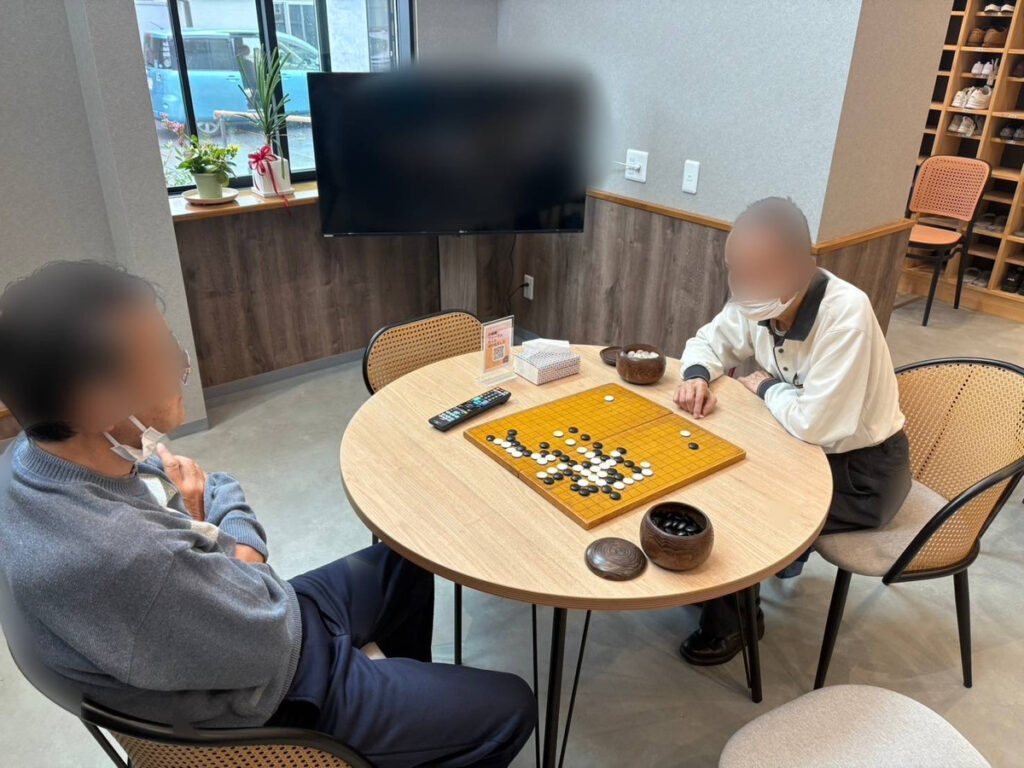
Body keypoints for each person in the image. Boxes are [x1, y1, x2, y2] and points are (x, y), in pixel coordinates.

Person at [0, 261, 534, 768]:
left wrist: (207, 533)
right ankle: (386, 724)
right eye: (162, 356)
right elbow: (267, 629)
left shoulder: (34, 460)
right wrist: (218, 525)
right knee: (510, 705)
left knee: (403, 562)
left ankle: (412, 725)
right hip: (270, 691)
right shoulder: (129, 556)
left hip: (231, 634)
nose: (182, 365)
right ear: (95, 404)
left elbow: (208, 510)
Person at [672, 198, 911, 666]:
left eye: (759, 272)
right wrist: (696, 375)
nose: (744, 286)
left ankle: (735, 623)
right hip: (797, 449)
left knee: (744, 509)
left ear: (803, 267)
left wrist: (766, 387)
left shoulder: (846, 314)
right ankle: (723, 587)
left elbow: (814, 424)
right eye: (735, 271)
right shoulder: (758, 298)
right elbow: (709, 342)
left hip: (862, 476)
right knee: (708, 476)